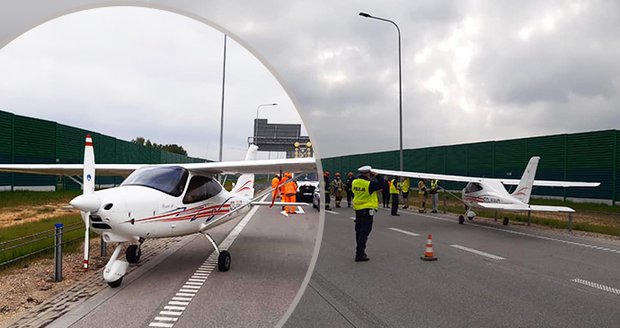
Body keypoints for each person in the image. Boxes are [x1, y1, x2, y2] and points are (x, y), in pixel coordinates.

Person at [352, 165, 384, 262]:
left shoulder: (355, 182)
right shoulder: (368, 184)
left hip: (358, 209)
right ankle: (360, 253)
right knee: (365, 232)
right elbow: (382, 184)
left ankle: (360, 251)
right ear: (368, 174)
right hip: (367, 210)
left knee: (359, 231)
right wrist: (377, 176)